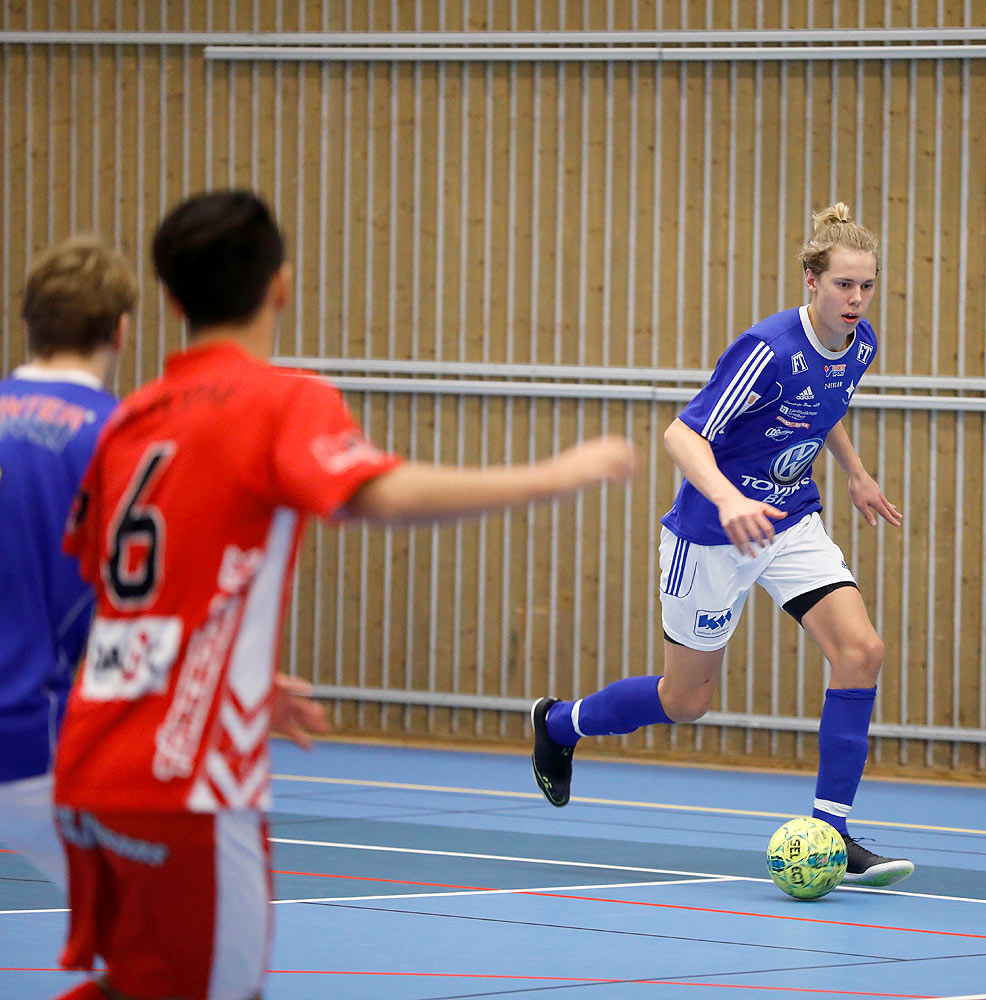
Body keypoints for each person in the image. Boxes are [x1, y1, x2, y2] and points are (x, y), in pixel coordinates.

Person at [51, 190, 637, 1000]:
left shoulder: (130, 419)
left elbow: (113, 595)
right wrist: (553, 476)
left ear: (168, 298)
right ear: (282, 285)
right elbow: (375, 494)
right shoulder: (280, 398)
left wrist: (240, 682)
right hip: (183, 785)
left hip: (87, 765)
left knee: (139, 981)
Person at [530, 203, 912, 886]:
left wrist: (855, 472)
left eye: (866, 286)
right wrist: (730, 498)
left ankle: (832, 833)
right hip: (713, 532)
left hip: (791, 519)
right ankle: (561, 724)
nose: (855, 299)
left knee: (862, 651)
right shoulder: (767, 348)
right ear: (810, 281)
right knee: (686, 702)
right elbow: (684, 434)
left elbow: (825, 406)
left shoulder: (861, 343)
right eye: (843, 286)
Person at [0, 237, 136, 891]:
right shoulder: (118, 439)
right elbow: (138, 600)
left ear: (26, 324)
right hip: (33, 740)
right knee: (154, 948)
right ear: (121, 331)